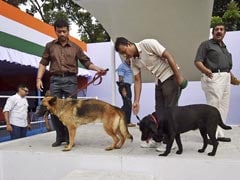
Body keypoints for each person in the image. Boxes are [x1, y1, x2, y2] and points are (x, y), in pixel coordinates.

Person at [36, 19, 107, 147]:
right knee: (53, 110)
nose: (62, 34)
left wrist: (98, 69)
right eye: (59, 31)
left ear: (68, 31)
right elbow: (43, 63)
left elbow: (86, 62)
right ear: (55, 31)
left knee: (71, 111)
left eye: (64, 31)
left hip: (70, 80)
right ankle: (59, 137)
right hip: (55, 80)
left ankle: (70, 139)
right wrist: (38, 78)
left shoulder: (75, 48)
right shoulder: (50, 46)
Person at [114, 37, 186, 152]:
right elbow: (137, 80)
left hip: (170, 76)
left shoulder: (147, 44)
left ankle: (169, 142)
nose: (125, 56)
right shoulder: (133, 61)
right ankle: (157, 139)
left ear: (129, 44)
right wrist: (136, 101)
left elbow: (168, 55)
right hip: (159, 80)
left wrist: (178, 76)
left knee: (169, 112)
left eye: (124, 52)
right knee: (158, 112)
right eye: (122, 54)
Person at [194, 23, 240, 142]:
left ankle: (219, 133)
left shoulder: (224, 47)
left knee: (224, 106)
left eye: (221, 29)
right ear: (213, 32)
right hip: (214, 76)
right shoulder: (206, 45)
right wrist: (206, 71)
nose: (219, 31)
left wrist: (232, 77)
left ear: (225, 33)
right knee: (213, 106)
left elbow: (226, 66)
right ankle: (210, 135)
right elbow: (197, 61)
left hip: (225, 77)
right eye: (217, 29)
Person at [116, 58, 136, 127]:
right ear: (126, 58)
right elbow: (120, 78)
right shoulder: (122, 66)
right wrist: (123, 89)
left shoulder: (129, 66)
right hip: (124, 86)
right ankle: (116, 115)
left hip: (128, 86)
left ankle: (127, 121)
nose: (130, 61)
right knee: (127, 104)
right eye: (129, 60)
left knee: (128, 104)